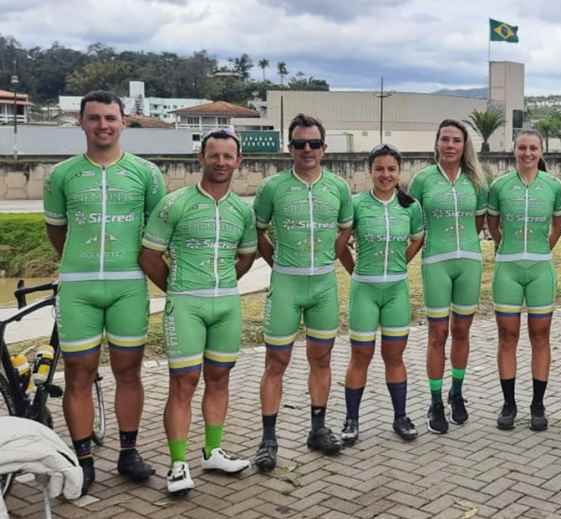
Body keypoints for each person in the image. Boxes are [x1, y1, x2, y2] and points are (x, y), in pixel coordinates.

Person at [43, 90, 165, 493]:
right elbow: (57, 232)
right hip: (78, 288)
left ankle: (128, 451)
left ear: (123, 121)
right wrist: (80, 264)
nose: (102, 125)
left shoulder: (147, 174)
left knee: (128, 371)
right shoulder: (61, 175)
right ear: (81, 122)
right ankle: (83, 459)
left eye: (110, 118)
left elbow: (156, 235)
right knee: (79, 373)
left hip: (128, 286)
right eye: (94, 118)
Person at [140, 129, 257, 495]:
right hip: (185, 305)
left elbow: (246, 256)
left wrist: (220, 286)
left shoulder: (243, 210)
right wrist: (179, 290)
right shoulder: (175, 203)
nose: (221, 162)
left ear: (238, 161)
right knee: (184, 382)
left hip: (226, 304)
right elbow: (149, 256)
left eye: (228, 156)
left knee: (220, 379)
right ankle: (177, 465)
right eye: (214, 155)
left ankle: (213, 451)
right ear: (200, 158)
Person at [251, 114, 353, 471]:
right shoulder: (272, 187)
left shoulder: (338, 188)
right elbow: (259, 233)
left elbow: (345, 230)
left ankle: (318, 428)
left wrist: (328, 259)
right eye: (299, 144)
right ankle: (268, 439)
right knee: (276, 362)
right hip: (286, 284)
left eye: (313, 144)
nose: (306, 150)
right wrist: (277, 262)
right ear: (289, 148)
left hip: (323, 284)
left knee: (321, 359)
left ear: (324, 148)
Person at [337, 143, 424, 444]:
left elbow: (417, 240)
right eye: (379, 169)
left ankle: (400, 417)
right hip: (365, 289)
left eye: (391, 169)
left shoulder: (410, 206)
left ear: (400, 172)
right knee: (360, 355)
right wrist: (356, 272)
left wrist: (399, 266)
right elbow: (341, 246)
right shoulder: (357, 204)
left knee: (394, 355)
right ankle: (351, 420)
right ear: (370, 171)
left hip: (396, 290)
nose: (385, 175)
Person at [408, 120, 487, 434]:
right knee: (437, 334)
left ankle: (457, 392)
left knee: (463, 332)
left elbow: (480, 222)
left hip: (469, 262)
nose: (450, 145)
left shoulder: (476, 181)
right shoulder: (422, 180)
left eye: (456, 140)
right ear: (437, 142)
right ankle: (435, 400)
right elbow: (414, 222)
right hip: (435, 263)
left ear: (464, 145)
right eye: (445, 139)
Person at [487, 129, 561, 431]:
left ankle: (537, 404)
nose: (528, 153)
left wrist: (550, 242)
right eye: (523, 148)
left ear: (541, 151)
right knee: (507, 336)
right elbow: (493, 224)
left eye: (533, 148)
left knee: (540, 336)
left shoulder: (554, 186)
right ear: (514, 150)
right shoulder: (499, 186)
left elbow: (560, 220)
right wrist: (501, 245)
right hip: (507, 267)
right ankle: (509, 404)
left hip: (540, 269)